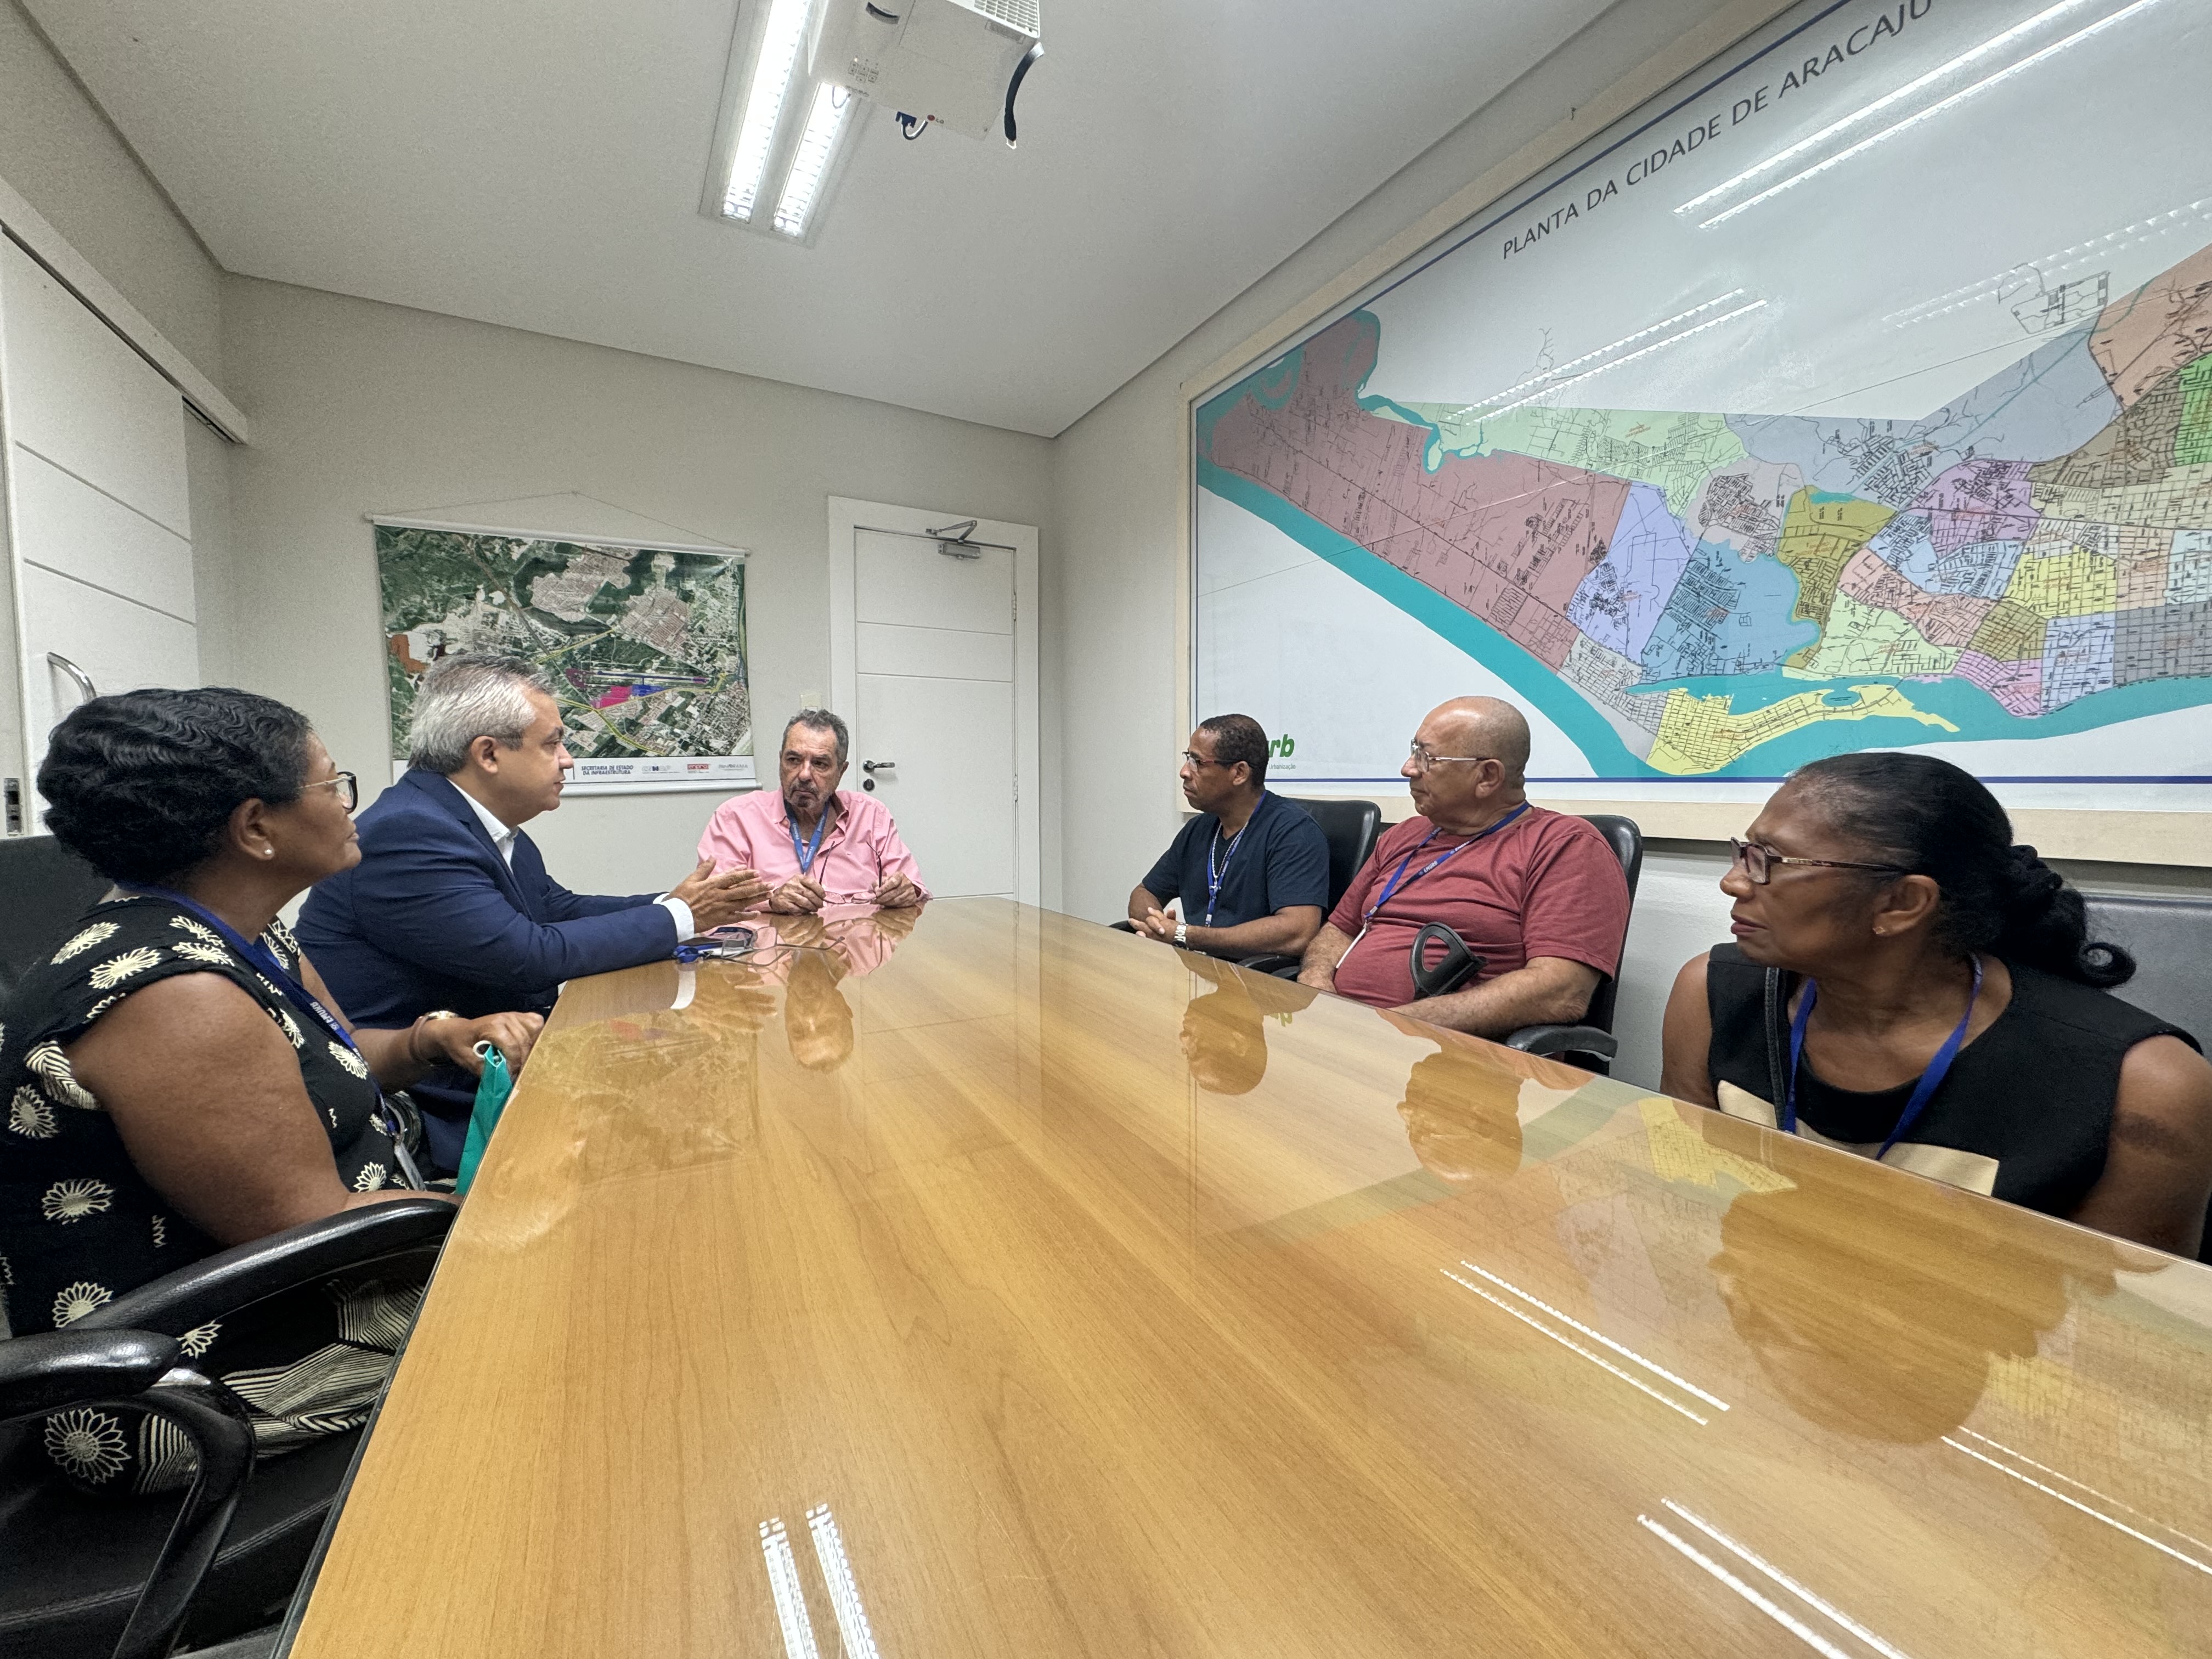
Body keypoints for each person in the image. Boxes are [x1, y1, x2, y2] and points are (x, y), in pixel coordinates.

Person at [0, 688, 540, 1493]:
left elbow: (331, 1062)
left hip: (313, 1272)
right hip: (185, 1378)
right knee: (582, 1316)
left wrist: (430, 1040)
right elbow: (312, 1229)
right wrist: (507, 1215)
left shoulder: (236, 929)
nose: (350, 805)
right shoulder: (177, 998)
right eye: (333, 785)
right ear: (256, 827)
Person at [1660, 752, 2212, 1256]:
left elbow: (2123, 1318)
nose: (1734, 882)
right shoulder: (1712, 996)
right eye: (1744, 853)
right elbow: (1683, 1192)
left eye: (1769, 860)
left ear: (1903, 902)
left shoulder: (2145, 1087)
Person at [298, 653, 765, 1171]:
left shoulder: (465, 820)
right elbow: (528, 956)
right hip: (430, 1104)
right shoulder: (410, 833)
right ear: (488, 754)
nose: (568, 760)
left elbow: (556, 908)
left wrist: (683, 905)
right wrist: (681, 915)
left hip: (500, 1063)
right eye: (552, 743)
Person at [1297, 697, 1630, 1040]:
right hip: (1340, 1031)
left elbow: (1561, 991)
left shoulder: (1565, 846)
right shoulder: (1403, 836)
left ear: (1487, 776)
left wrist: (1392, 1025)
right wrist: (1316, 982)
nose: (1408, 768)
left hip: (1441, 1050)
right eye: (1414, 751)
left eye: (1427, 758)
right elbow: (1339, 930)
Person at [1127, 714, 1330, 958]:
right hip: (1196, 971)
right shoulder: (1199, 829)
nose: (1184, 772)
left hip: (1252, 978)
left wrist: (1185, 935)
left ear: (1239, 773)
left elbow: (1297, 932)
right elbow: (1144, 893)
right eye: (1188, 758)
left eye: (1198, 762)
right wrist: (1157, 926)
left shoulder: (1294, 832)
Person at [696, 709, 927, 912]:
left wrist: (906, 891)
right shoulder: (736, 817)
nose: (804, 774)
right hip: (775, 946)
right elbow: (711, 902)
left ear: (841, 771)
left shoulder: (871, 815)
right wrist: (771, 901)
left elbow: (914, 886)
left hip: (856, 943)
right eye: (793, 760)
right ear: (780, 761)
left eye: (820, 764)